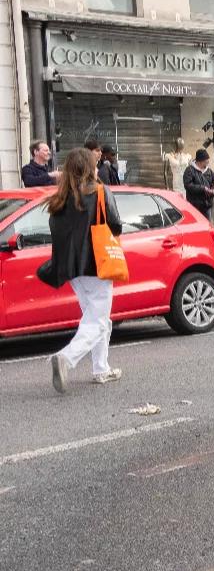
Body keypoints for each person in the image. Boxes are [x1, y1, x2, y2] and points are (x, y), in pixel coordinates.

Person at [43, 148, 124, 392]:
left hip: (73, 270)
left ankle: (101, 369)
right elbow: (116, 225)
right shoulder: (100, 191)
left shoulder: (59, 199)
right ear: (90, 168)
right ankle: (66, 358)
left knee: (95, 318)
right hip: (98, 264)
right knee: (98, 321)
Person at [183, 148, 214, 219]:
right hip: (195, 206)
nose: (208, 162)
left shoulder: (209, 171)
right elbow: (188, 185)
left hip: (207, 206)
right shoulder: (189, 170)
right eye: (206, 161)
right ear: (200, 161)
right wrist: (203, 188)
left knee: (207, 225)